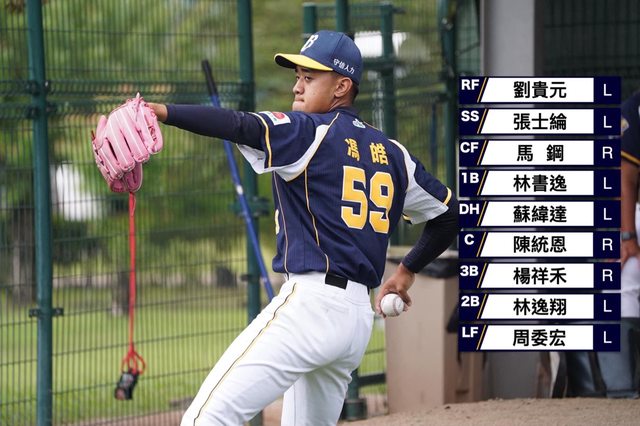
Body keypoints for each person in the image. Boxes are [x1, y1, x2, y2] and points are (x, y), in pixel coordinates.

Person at [149, 30, 458, 425]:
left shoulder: (309, 131)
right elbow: (449, 216)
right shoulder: (395, 155)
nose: (297, 86)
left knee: (207, 418)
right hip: (356, 321)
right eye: (298, 76)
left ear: (342, 87)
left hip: (311, 307)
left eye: (309, 77)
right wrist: (406, 271)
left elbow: (238, 124)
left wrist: (163, 112)